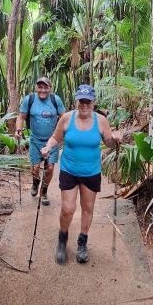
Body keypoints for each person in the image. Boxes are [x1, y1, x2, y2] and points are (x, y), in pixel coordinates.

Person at [40, 84, 122, 264]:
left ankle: (82, 241)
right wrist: (48, 147)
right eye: (81, 101)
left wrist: (114, 139)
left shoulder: (101, 120)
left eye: (88, 101)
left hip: (91, 172)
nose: (84, 105)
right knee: (68, 209)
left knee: (88, 208)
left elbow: (108, 142)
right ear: (77, 100)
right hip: (69, 169)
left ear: (93, 102)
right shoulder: (67, 118)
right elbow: (56, 137)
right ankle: (62, 238)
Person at [15, 77, 65, 206]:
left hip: (52, 140)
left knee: (49, 169)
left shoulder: (55, 100)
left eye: (45, 87)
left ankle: (44, 192)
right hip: (35, 140)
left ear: (50, 88)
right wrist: (18, 130)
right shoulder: (29, 99)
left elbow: (64, 117)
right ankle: (36, 182)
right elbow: (21, 117)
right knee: (35, 169)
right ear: (36, 87)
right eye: (40, 87)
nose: (42, 90)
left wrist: (64, 134)